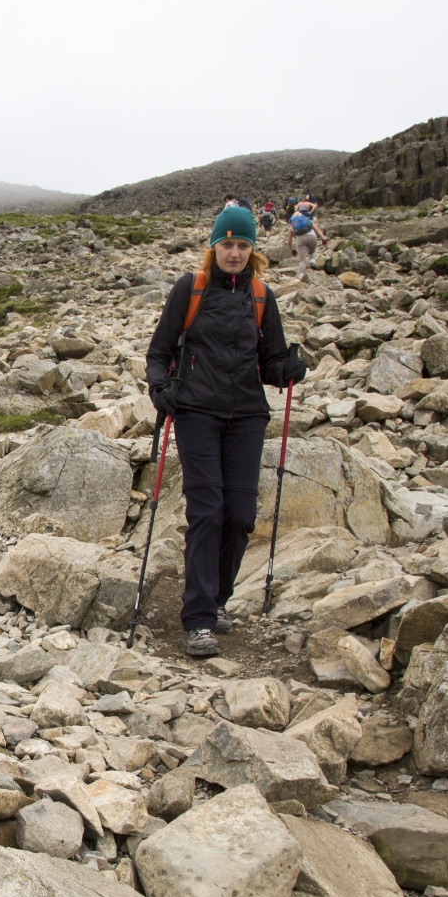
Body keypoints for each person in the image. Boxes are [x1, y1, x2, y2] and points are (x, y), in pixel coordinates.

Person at [145, 205, 306, 657]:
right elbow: (158, 352)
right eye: (227, 244)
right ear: (213, 246)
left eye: (242, 245)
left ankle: (216, 602)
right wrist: (160, 387)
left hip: (247, 415)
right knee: (207, 511)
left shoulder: (260, 296)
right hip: (196, 412)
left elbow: (271, 362)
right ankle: (197, 619)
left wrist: (289, 370)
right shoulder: (190, 289)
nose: (234, 252)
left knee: (240, 515)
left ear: (253, 249)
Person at [288, 201, 326, 278]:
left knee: (302, 260)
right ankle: (312, 262)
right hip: (313, 237)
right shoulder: (308, 220)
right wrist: (323, 239)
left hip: (301, 239)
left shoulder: (293, 225)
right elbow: (318, 230)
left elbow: (289, 241)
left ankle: (301, 276)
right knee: (311, 252)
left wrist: (292, 250)